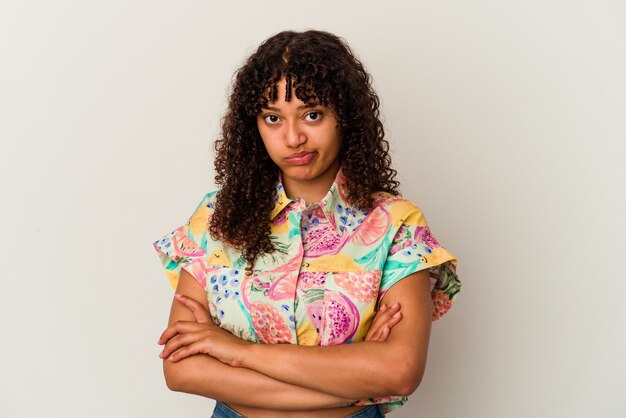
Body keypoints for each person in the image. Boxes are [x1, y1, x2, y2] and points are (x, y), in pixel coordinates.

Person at [154, 30, 461, 417]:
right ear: (255, 127)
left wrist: (237, 352)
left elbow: (399, 371)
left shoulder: (395, 224)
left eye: (312, 114)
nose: (293, 137)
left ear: (345, 117)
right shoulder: (217, 218)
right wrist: (351, 383)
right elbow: (182, 368)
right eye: (272, 118)